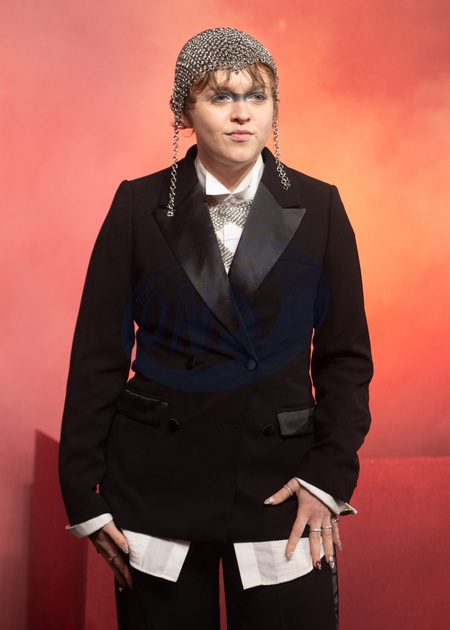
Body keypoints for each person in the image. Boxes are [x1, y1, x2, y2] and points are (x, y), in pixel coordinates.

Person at [59, 27, 373, 630]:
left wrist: (328, 478)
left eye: (257, 96)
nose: (241, 113)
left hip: (282, 485)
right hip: (157, 485)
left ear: (274, 108)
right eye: (220, 96)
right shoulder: (136, 205)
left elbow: (345, 358)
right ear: (184, 112)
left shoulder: (322, 207)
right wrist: (83, 495)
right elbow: (97, 356)